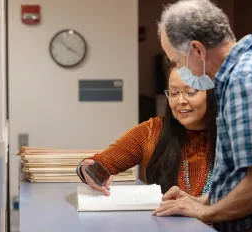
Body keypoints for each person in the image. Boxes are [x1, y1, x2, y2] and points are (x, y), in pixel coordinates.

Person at [153, 0, 252, 232]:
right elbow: (246, 174)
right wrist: (203, 199)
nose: (179, 70)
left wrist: (204, 212)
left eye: (178, 62)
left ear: (197, 50)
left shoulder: (246, 81)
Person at [76, 65, 217, 199]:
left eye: (191, 92)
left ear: (211, 92)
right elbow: (99, 163)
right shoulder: (151, 132)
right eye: (173, 93)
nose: (180, 101)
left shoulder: (232, 134)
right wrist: (86, 170)